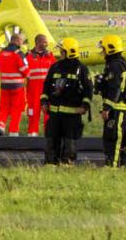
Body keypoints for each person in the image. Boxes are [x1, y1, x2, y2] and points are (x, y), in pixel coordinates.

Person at [40, 37, 93, 165]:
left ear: (69, 52)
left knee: (70, 141)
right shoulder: (55, 67)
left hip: (72, 114)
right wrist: (44, 102)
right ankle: (50, 163)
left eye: (62, 51)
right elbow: (46, 86)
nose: (60, 53)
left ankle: (67, 163)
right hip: (54, 113)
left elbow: (88, 89)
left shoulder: (81, 69)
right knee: (51, 140)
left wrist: (85, 105)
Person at [96, 34, 126, 168]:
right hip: (118, 108)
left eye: (104, 49)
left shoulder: (115, 66)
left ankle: (112, 166)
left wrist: (107, 108)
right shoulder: (115, 64)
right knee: (119, 138)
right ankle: (122, 166)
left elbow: (115, 89)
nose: (102, 52)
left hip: (119, 109)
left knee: (115, 138)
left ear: (110, 49)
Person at [0, 34, 29, 136]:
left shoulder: (1, 53)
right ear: (17, 41)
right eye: (22, 41)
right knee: (16, 109)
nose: (22, 43)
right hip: (17, 86)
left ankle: (0, 125)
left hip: (4, 85)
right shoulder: (18, 53)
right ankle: (13, 132)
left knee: (3, 107)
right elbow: (25, 71)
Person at [25, 34, 55, 136]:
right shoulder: (28, 57)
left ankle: (49, 137)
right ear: (38, 42)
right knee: (33, 115)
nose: (47, 44)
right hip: (33, 92)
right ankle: (32, 136)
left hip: (48, 92)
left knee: (49, 116)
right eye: (45, 41)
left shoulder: (50, 56)